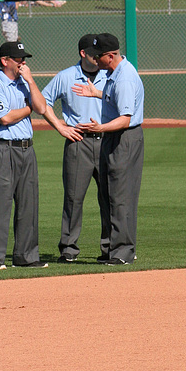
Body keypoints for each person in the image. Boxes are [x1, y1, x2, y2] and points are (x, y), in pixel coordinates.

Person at [72, 33, 145, 266]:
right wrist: (97, 93)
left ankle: (123, 252)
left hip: (123, 138)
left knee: (120, 195)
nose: (94, 59)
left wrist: (100, 127)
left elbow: (125, 118)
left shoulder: (123, 78)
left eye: (97, 56)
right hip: (113, 138)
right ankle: (112, 248)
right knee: (107, 194)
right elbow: (117, 100)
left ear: (110, 56)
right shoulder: (114, 74)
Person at [42, 35, 110, 263]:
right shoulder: (66, 76)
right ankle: (69, 249)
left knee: (109, 197)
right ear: (83, 53)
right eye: (94, 53)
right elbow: (43, 102)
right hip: (78, 142)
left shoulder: (110, 74)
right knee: (73, 198)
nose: (98, 57)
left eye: (100, 53)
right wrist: (60, 126)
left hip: (107, 141)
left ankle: (111, 248)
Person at [0, 41, 48, 270]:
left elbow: (42, 108)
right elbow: (5, 118)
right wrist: (28, 109)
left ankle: (26, 257)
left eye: (24, 58)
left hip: (27, 149)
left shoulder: (24, 83)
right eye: (19, 59)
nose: (23, 62)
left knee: (28, 205)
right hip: (3, 149)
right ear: (5, 61)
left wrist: (30, 80)